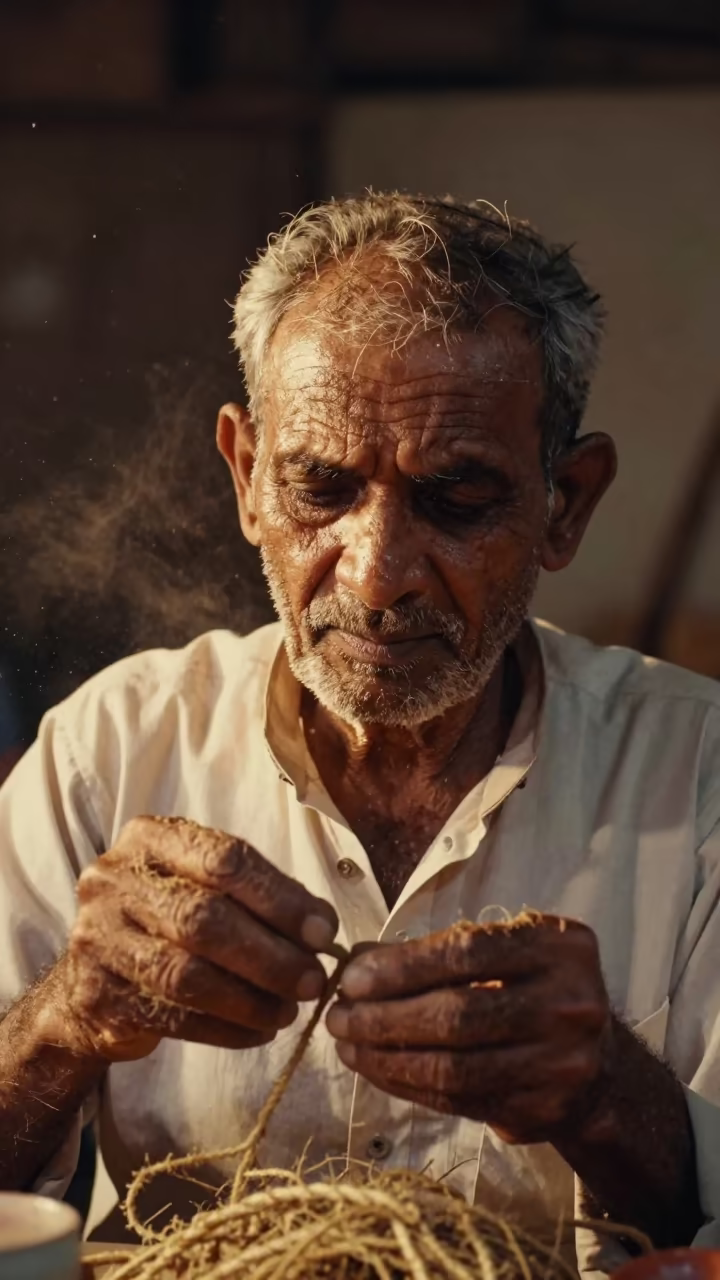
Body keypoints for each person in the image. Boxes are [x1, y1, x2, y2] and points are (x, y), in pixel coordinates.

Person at [1, 193, 719, 1275]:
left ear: (565, 503)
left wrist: (608, 1093)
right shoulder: (109, 749)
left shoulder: (697, 772)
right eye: (320, 487)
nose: (376, 575)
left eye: (458, 498)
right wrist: (64, 1020)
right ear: (248, 478)